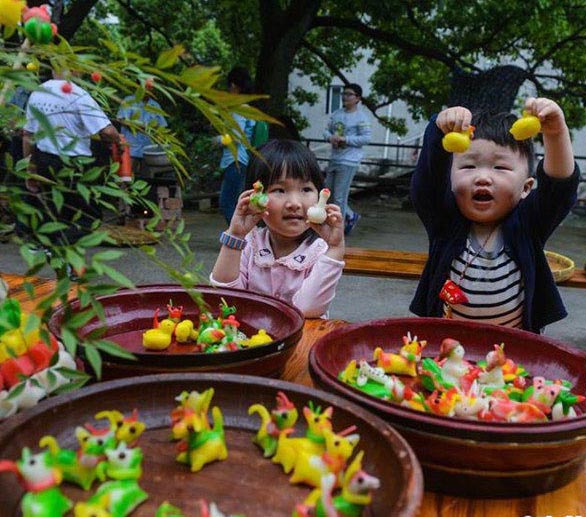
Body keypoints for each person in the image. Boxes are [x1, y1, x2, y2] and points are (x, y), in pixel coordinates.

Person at [410, 97, 579, 333]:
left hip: (513, 351)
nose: (483, 177)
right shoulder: (445, 220)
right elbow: (426, 184)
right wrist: (438, 129)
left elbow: (559, 189)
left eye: (500, 168)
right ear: (449, 179)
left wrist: (556, 134)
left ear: (526, 188)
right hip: (447, 348)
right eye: (469, 166)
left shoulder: (529, 223)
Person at [210, 139, 345, 318]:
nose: (294, 203)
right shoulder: (250, 243)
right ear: (255, 196)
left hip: (300, 342)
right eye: (280, 190)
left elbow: (308, 310)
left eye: (306, 189)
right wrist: (235, 235)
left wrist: (335, 249)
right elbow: (225, 296)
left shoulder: (320, 252)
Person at [21, 69, 121, 244]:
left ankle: (54, 252)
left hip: (44, 161)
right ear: (74, 69)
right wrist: (117, 140)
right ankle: (60, 245)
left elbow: (27, 134)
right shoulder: (78, 94)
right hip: (74, 165)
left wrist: (30, 165)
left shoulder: (38, 92)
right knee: (90, 217)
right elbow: (107, 131)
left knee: (56, 213)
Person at [323, 83, 371, 235]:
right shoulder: (337, 114)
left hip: (349, 161)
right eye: (344, 94)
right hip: (335, 158)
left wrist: (346, 139)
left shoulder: (361, 117)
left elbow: (366, 138)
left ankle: (338, 229)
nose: (345, 97)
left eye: (349, 94)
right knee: (326, 193)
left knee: (339, 196)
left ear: (357, 98)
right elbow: (326, 130)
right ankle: (350, 215)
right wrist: (330, 137)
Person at [216, 66, 256, 223]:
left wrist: (219, 140)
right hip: (241, 159)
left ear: (233, 86)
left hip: (235, 160)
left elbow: (236, 137)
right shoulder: (247, 108)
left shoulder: (239, 108)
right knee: (233, 201)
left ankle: (239, 237)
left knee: (227, 203)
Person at [116, 92, 167, 175]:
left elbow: (161, 126)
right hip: (130, 148)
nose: (150, 89)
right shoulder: (129, 100)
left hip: (149, 150)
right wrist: (147, 127)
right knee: (126, 176)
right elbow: (123, 120)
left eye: (151, 87)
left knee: (147, 178)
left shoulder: (155, 105)